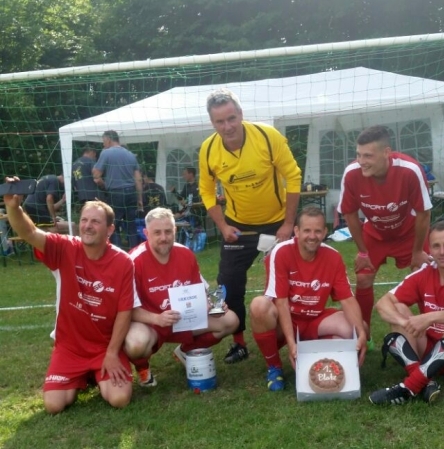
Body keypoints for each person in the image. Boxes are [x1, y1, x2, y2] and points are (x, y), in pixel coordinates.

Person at [3, 181, 134, 413]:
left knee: (119, 398)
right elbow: (30, 233)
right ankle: (85, 376)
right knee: (54, 405)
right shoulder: (64, 248)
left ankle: (96, 373)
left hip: (104, 347)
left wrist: (112, 353)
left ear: (110, 229)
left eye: (95, 221)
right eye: (84, 220)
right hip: (70, 348)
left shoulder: (123, 262)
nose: (88, 226)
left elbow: (125, 311)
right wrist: (14, 208)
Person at [198, 88, 302, 364]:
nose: (227, 126)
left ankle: (298, 332)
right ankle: (239, 342)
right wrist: (222, 226)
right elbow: (206, 190)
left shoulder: (267, 136)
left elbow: (293, 176)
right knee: (229, 282)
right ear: (212, 123)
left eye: (231, 118)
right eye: (220, 121)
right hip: (238, 226)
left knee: (291, 279)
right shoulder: (208, 149)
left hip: (277, 223)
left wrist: (288, 223)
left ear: (241, 114)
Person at [369, 220, 444, 405]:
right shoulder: (425, 272)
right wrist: (405, 324)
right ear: (430, 249)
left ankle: (409, 387)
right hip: (431, 348)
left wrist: (429, 317)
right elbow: (383, 303)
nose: (442, 251)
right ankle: (424, 378)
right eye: (436, 246)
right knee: (398, 308)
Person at [249, 207, 367, 391]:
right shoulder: (281, 252)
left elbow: (347, 299)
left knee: (358, 328)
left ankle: (314, 351)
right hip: (286, 319)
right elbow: (281, 302)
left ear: (325, 232)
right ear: (296, 231)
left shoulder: (333, 257)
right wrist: (291, 343)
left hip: (314, 319)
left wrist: (361, 333)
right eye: (307, 231)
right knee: (259, 306)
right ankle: (274, 367)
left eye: (318, 231)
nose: (312, 236)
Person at [337, 125, 432, 346]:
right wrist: (363, 251)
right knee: (363, 277)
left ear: (386, 152)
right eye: (358, 154)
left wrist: (418, 251)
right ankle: (364, 334)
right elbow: (350, 214)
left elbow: (424, 213)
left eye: (368, 156)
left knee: (424, 274)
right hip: (375, 233)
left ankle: (433, 332)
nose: (361, 161)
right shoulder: (351, 173)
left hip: (408, 232)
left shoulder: (410, 169)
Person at [124, 207, 238, 386]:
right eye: (157, 232)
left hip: (184, 319)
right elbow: (126, 309)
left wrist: (212, 305)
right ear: (146, 233)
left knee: (230, 320)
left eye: (168, 231)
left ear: (175, 230)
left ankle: (186, 350)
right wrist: (157, 318)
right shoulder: (133, 261)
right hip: (151, 323)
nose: (164, 237)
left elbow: (200, 291)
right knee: (136, 344)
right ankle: (142, 367)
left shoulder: (185, 254)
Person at [92, 130, 143, 250]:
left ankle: (117, 252)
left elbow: (96, 174)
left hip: (116, 193)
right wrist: (139, 199)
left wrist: (103, 181)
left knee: (113, 225)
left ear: (109, 139)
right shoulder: (131, 155)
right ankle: (135, 252)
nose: (103, 144)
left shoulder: (106, 153)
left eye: (104, 141)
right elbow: (138, 179)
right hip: (131, 193)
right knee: (131, 226)